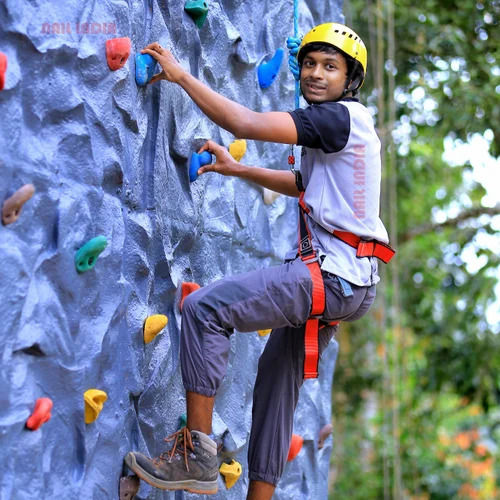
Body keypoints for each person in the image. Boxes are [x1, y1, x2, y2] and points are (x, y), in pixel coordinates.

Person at [125, 22, 394, 499]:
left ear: (350, 78)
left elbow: (246, 123)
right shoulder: (341, 130)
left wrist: (181, 76)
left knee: (205, 309)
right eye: (310, 64)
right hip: (351, 283)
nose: (315, 74)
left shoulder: (336, 119)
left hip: (329, 277)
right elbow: (302, 185)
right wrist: (237, 167)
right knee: (276, 386)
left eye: (330, 67)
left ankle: (198, 458)